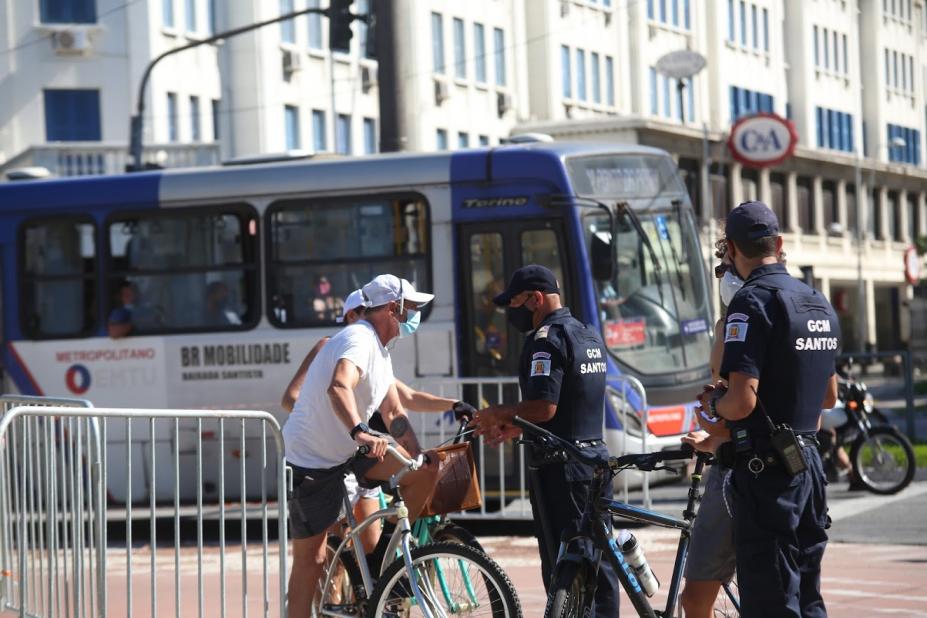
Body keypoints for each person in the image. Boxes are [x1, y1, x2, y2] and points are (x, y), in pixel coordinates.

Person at [697, 201, 839, 618]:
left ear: (732, 251)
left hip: (767, 471)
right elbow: (827, 397)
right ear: (778, 243)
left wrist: (712, 404)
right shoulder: (816, 302)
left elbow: (741, 402)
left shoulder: (751, 302)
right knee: (807, 595)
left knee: (771, 598)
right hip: (808, 463)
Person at [282, 274, 441, 617]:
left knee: (425, 471)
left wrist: (418, 454)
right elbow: (339, 386)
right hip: (313, 459)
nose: (415, 314)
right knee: (312, 560)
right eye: (410, 307)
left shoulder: (382, 353)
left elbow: (396, 413)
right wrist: (360, 432)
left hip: (349, 451)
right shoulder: (359, 338)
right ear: (390, 309)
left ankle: (387, 570)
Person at [470, 264, 620, 618]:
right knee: (599, 559)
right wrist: (520, 427)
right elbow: (573, 405)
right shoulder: (587, 334)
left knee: (566, 566)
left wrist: (500, 414)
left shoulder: (547, 340)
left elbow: (544, 406)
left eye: (515, 302)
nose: (511, 312)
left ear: (536, 299)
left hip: (562, 471)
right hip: (594, 460)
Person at [281, 286, 474, 554]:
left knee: (372, 546)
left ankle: (381, 580)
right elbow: (293, 398)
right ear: (352, 316)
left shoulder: (374, 355)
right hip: (335, 451)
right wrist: (332, 422)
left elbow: (406, 397)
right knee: (334, 548)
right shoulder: (332, 346)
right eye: (362, 314)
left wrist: (452, 404)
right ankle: (333, 595)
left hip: (366, 449)